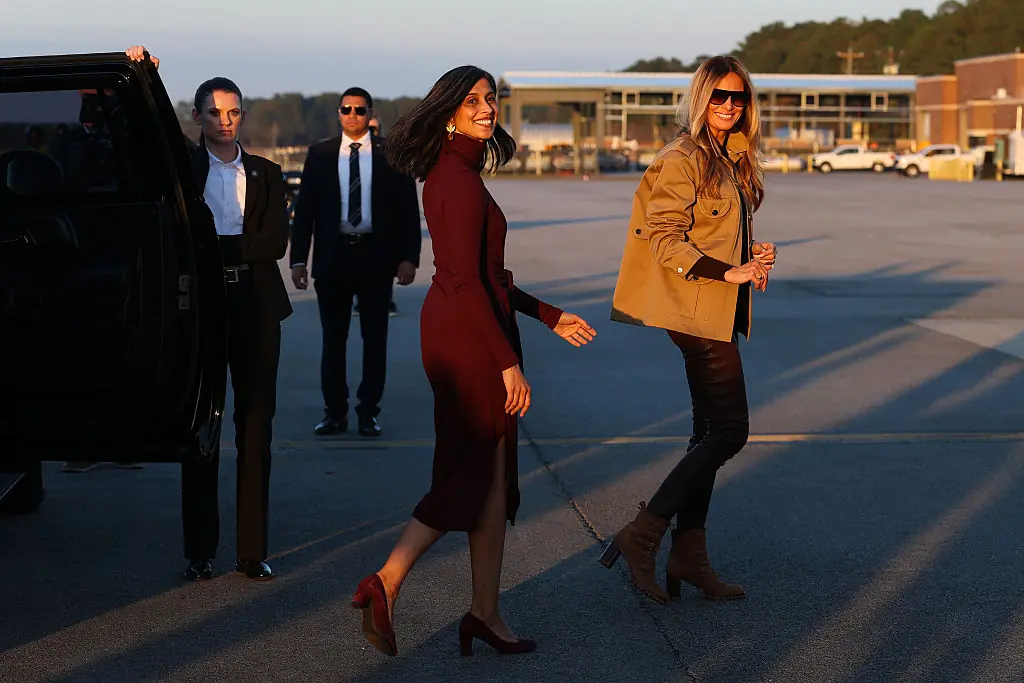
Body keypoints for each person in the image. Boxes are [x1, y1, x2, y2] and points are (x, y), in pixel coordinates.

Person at [349, 66, 596, 658]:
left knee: (490, 481)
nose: (487, 108)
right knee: (469, 472)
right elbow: (462, 283)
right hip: (466, 343)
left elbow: (488, 279)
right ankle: (386, 580)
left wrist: (547, 314)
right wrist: (506, 362)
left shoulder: (459, 172)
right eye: (474, 101)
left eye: (491, 99)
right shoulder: (454, 180)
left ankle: (485, 613)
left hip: (467, 330)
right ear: (450, 111)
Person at [601, 55, 777, 604]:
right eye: (719, 96)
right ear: (701, 99)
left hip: (716, 303)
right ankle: (643, 533)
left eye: (739, 97)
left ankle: (688, 556)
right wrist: (730, 271)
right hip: (694, 309)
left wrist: (753, 253)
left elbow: (716, 229)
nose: (730, 106)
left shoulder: (731, 156)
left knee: (707, 434)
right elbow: (666, 238)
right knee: (730, 432)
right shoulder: (683, 158)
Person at [126, 46, 293, 582]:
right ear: (196, 116)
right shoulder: (180, 170)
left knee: (255, 429)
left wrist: (210, 247)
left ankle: (251, 551)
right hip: (199, 309)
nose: (225, 121)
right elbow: (141, 125)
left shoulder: (268, 174)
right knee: (201, 430)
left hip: (257, 308)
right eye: (215, 112)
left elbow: (274, 244)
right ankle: (200, 551)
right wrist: (146, 71)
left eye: (234, 111)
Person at [290, 88, 420, 437]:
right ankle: (334, 413)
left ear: (370, 113)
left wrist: (409, 257)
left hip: (376, 259)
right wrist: (298, 260)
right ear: (338, 113)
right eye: (346, 109)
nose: (352, 115)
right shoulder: (319, 154)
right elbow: (305, 213)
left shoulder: (391, 153)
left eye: (359, 110)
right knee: (334, 340)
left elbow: (408, 209)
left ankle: (368, 412)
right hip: (334, 259)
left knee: (374, 339)